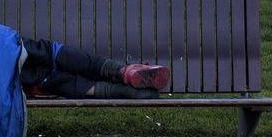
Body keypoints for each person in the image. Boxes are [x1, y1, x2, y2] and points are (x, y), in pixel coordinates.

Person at [19, 38, 170, 99]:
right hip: (39, 63)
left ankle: (128, 88)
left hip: (35, 76)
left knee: (56, 78)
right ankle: (126, 72)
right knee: (54, 57)